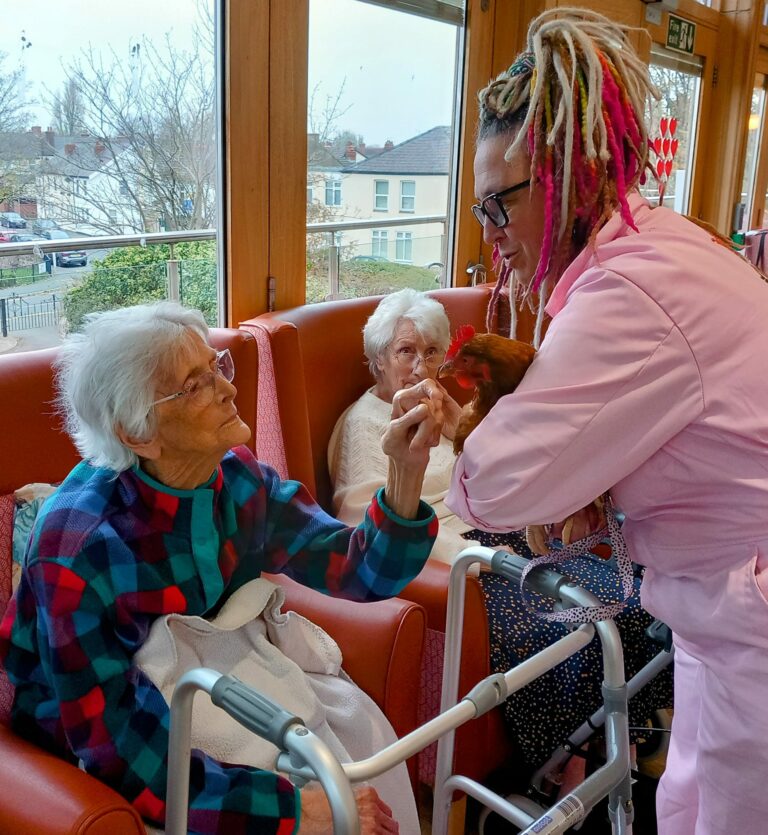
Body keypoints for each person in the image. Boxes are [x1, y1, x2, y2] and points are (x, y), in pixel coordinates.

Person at [401, 8, 768, 834]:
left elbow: (493, 485)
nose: (491, 238)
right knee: (687, 804)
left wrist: (481, 434)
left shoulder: (625, 295)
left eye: (500, 207)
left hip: (749, 612)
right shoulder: (658, 249)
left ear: (569, 173)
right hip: (721, 613)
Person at [0, 302, 442, 835]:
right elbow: (118, 751)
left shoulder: (234, 477)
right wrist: (292, 810)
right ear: (138, 433)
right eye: (196, 383)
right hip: (93, 741)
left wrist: (405, 469)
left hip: (208, 685)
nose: (228, 388)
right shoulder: (79, 546)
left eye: (218, 366)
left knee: (362, 753)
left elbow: (360, 571)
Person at [329, 287, 671, 777]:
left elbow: (495, 465)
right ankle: (567, 769)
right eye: (405, 352)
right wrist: (472, 548)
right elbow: (363, 520)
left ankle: (618, 741)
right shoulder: (365, 423)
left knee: (633, 596)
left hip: (500, 531)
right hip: (461, 556)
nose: (421, 366)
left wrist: (457, 427)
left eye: (431, 352)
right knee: (581, 620)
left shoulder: (445, 406)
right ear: (378, 361)